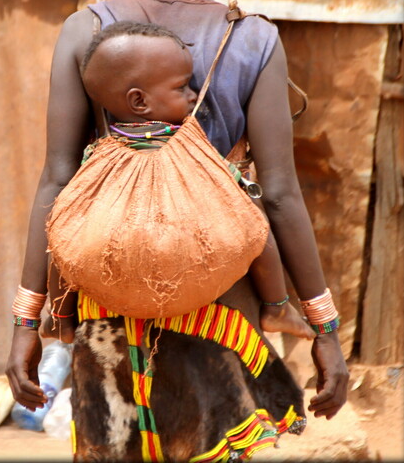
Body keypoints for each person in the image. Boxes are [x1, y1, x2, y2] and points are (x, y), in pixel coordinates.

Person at [5, 0, 348, 461]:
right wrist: (323, 327)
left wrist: (27, 322)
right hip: (222, 308)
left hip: (109, 308)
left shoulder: (87, 30)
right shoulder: (254, 38)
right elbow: (280, 194)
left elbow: (56, 182)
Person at [49, 20, 314, 341]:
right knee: (254, 220)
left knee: (61, 237)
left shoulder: (99, 152)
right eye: (182, 88)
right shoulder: (187, 142)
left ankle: (61, 316)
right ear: (139, 102)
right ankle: (276, 306)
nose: (192, 96)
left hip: (111, 260)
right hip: (185, 262)